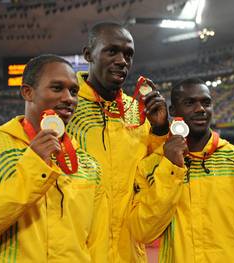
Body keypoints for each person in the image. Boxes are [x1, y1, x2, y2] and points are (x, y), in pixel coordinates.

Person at [0, 54, 108, 262]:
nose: (69, 98)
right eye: (57, 88)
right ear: (27, 92)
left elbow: (98, 246)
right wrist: (34, 166)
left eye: (73, 91)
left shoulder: (88, 163)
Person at [129, 78, 234, 262]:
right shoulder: (151, 167)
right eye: (190, 103)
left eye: (206, 103)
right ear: (173, 111)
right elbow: (142, 231)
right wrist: (171, 168)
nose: (200, 109)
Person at [66, 22, 169, 262]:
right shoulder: (66, 107)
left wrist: (161, 129)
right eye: (112, 51)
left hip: (129, 253)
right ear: (88, 55)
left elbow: (153, 171)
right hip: (77, 252)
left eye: (128, 54)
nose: (123, 60)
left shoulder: (137, 111)